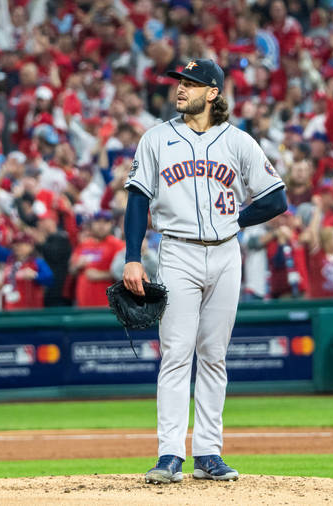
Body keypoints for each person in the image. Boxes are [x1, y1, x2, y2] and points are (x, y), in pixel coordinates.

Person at [123, 59, 287, 484]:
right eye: (180, 82)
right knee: (177, 353)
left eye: (192, 83)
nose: (181, 88)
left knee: (214, 355)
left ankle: (209, 453)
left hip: (226, 254)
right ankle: (169, 454)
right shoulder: (156, 138)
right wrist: (132, 256)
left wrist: (237, 221)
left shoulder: (239, 142)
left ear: (212, 93)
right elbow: (138, 199)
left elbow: (276, 198)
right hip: (177, 252)